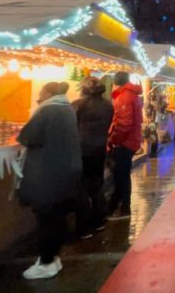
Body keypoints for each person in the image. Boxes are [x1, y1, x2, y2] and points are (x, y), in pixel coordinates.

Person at [17, 82, 82, 279]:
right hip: (65, 171)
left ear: (47, 93)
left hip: (48, 174)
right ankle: (52, 258)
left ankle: (46, 262)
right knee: (56, 217)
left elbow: (27, 136)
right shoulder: (67, 108)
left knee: (47, 219)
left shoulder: (47, 111)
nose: (38, 97)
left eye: (39, 94)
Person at [72, 77, 114, 238]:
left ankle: (83, 228)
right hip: (99, 149)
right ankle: (99, 221)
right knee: (97, 186)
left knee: (81, 189)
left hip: (81, 150)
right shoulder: (108, 105)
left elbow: (72, 126)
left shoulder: (79, 105)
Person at [107, 71, 143, 220]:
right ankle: (118, 207)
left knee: (121, 177)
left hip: (124, 143)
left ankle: (123, 209)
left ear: (115, 82)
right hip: (130, 141)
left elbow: (123, 123)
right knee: (123, 176)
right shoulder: (131, 95)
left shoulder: (124, 97)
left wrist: (114, 140)